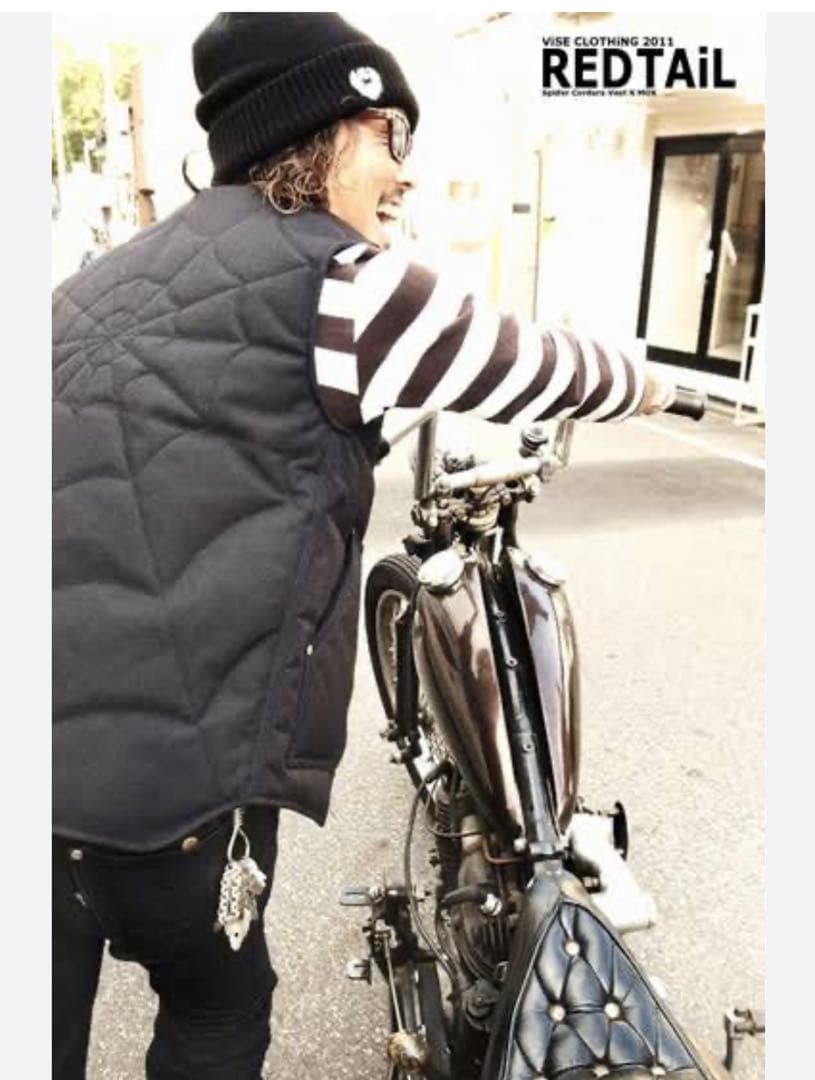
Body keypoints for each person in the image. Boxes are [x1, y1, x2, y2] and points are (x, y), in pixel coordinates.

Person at [52, 13, 673, 1080]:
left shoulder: (78, 294)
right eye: (391, 135)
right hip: (180, 797)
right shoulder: (343, 284)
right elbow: (539, 367)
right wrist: (658, 383)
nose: (406, 172)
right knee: (214, 1003)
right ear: (318, 134)